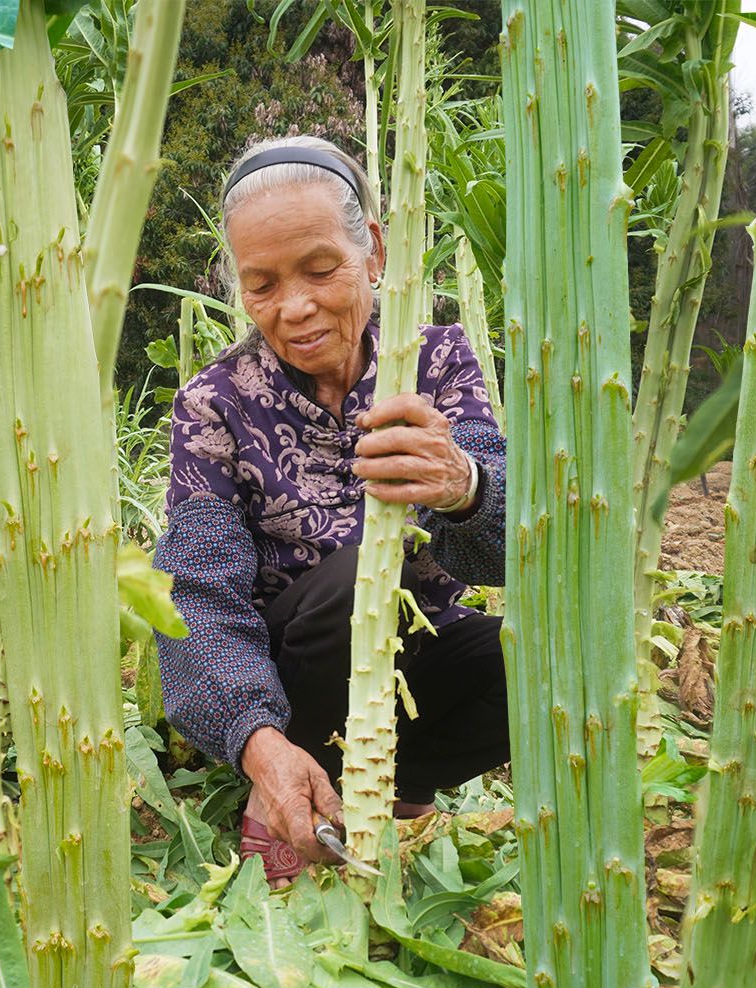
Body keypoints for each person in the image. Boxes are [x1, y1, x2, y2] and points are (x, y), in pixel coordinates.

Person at [153, 135, 511, 883]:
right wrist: (260, 741)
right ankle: (285, 784)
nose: (296, 307)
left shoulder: (435, 360)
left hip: (411, 662)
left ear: (373, 251)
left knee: (530, 662)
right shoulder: (213, 404)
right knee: (358, 582)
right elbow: (197, 599)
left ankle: (397, 785)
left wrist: (465, 484)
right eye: (262, 285)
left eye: (321, 270)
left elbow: (513, 544)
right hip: (287, 682)